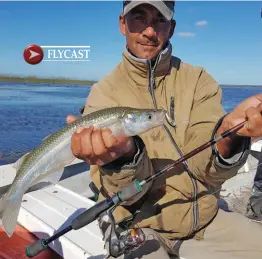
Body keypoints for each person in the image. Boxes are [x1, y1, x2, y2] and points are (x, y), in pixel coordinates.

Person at [67, 1, 262, 258]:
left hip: (203, 218)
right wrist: (126, 156)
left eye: (160, 20)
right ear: (122, 24)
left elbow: (207, 170)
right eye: (138, 17)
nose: (150, 31)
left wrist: (230, 132)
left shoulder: (198, 80)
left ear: (171, 28)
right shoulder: (103, 93)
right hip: (139, 225)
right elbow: (121, 195)